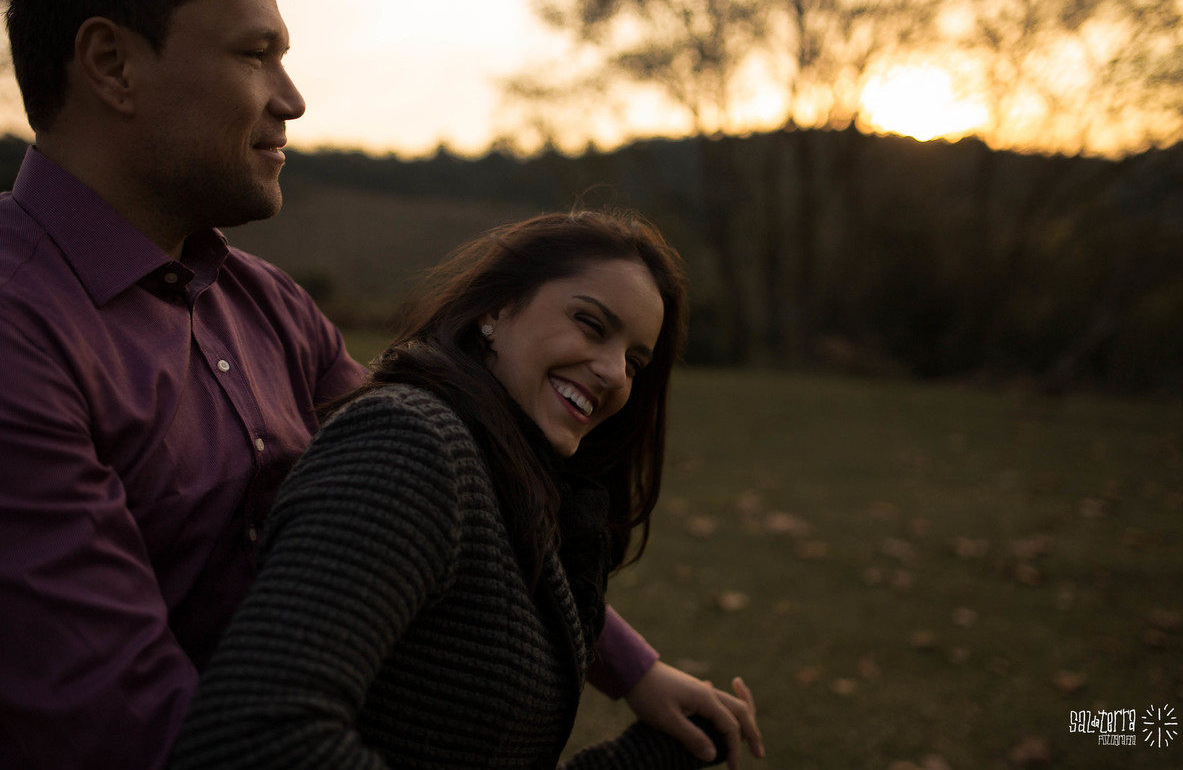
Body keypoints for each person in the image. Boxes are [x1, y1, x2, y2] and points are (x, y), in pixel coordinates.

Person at [0, 0, 763, 768]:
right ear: (111, 65)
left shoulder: (266, 305)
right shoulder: (19, 332)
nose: (291, 99)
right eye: (256, 54)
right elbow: (124, 722)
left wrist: (633, 667)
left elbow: (460, 486)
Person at [170, 211, 751, 769]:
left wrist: (661, 753)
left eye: (635, 361)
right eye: (591, 324)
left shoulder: (517, 487)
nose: (612, 372)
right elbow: (256, 734)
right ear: (497, 308)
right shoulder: (410, 445)